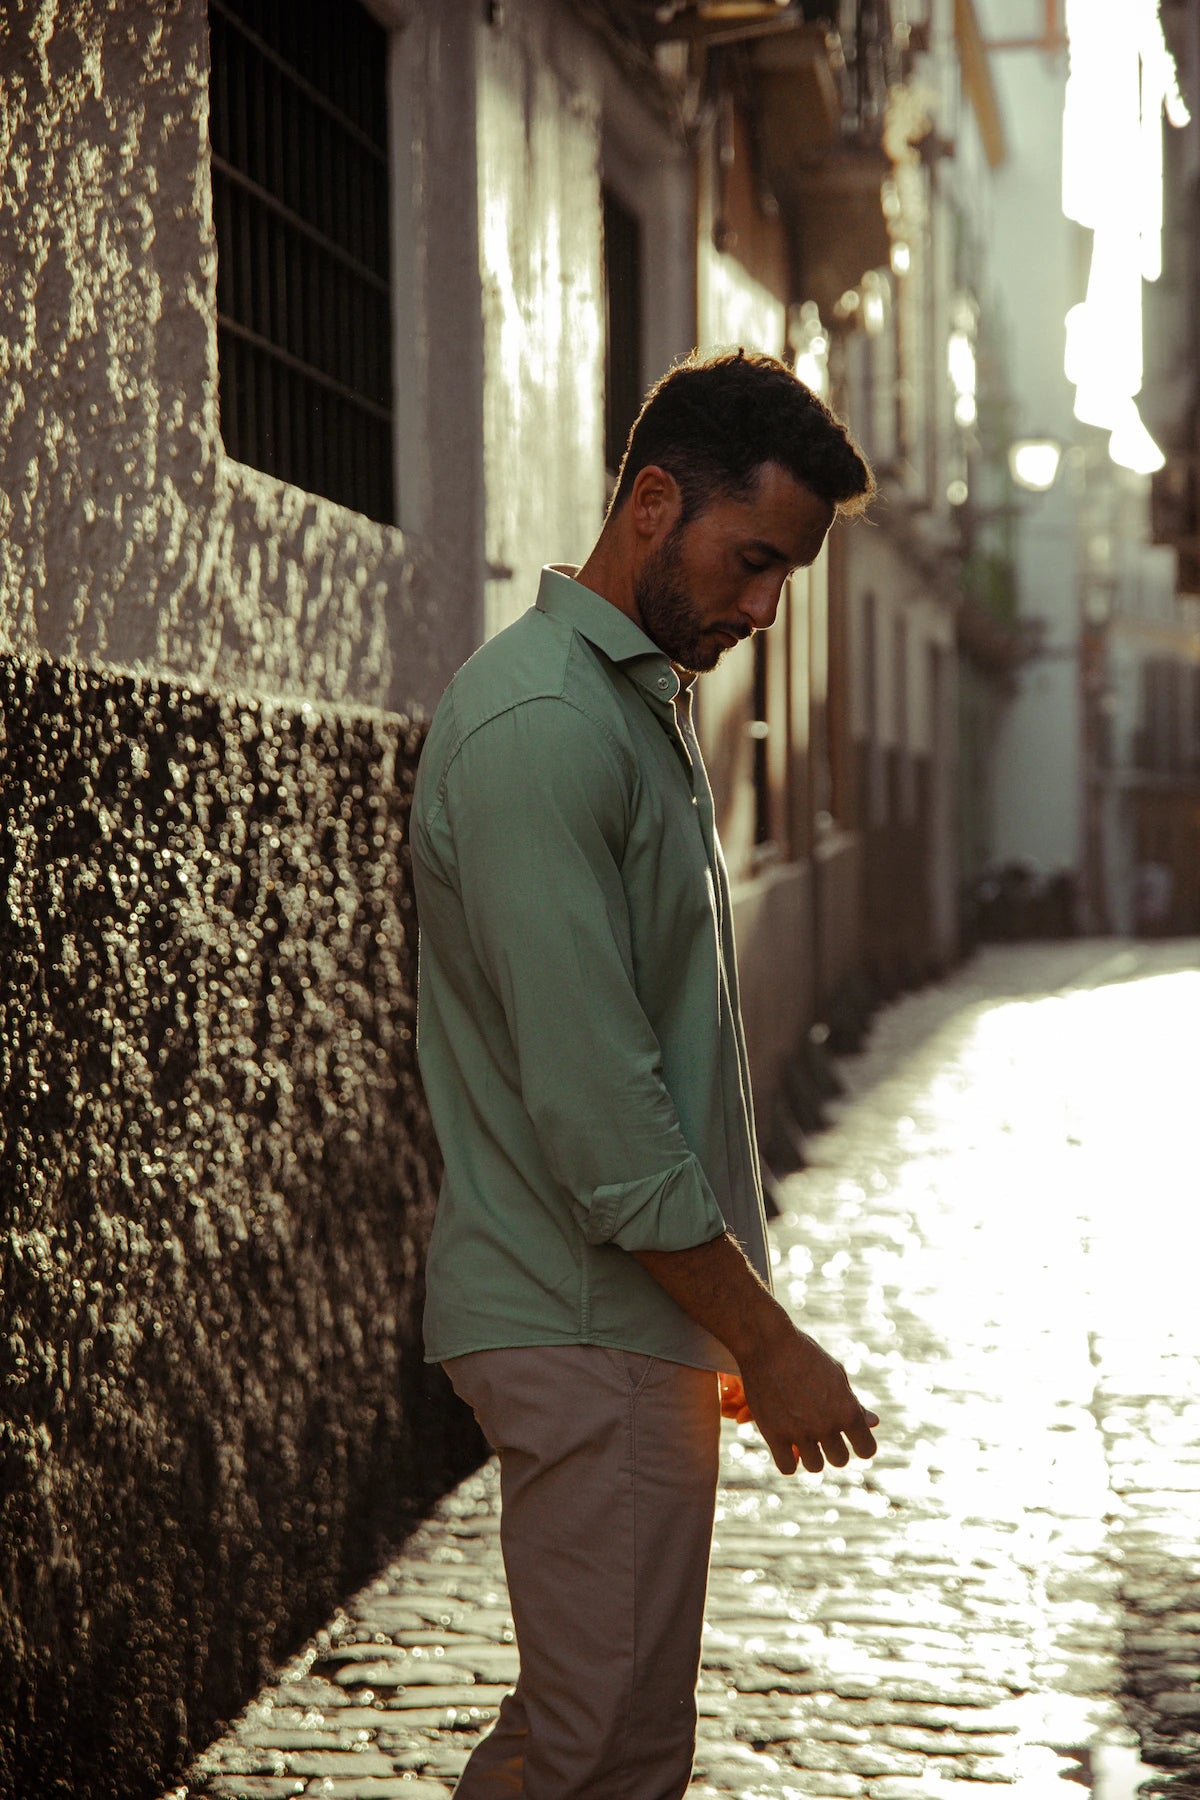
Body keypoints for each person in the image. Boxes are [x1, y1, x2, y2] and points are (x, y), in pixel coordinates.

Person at [410, 348, 879, 1799]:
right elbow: (601, 1113)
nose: (765, 608)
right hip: (583, 1318)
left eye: (787, 574)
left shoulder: (628, 705)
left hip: (622, 1324)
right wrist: (767, 1341)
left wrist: (717, 1333)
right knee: (602, 1756)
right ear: (654, 502)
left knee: (585, 1740)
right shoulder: (550, 726)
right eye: (753, 562)